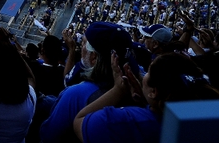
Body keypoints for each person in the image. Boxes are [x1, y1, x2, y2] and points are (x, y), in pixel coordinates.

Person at [73, 52, 219, 143]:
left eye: (148, 72)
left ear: (154, 91)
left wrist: (118, 90)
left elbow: (79, 122)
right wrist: (149, 102)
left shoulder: (124, 121)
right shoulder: (205, 123)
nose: (143, 76)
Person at [40, 22, 133, 143]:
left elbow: (48, 135)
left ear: (94, 57)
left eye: (83, 43)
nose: (81, 46)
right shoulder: (136, 92)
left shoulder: (75, 94)